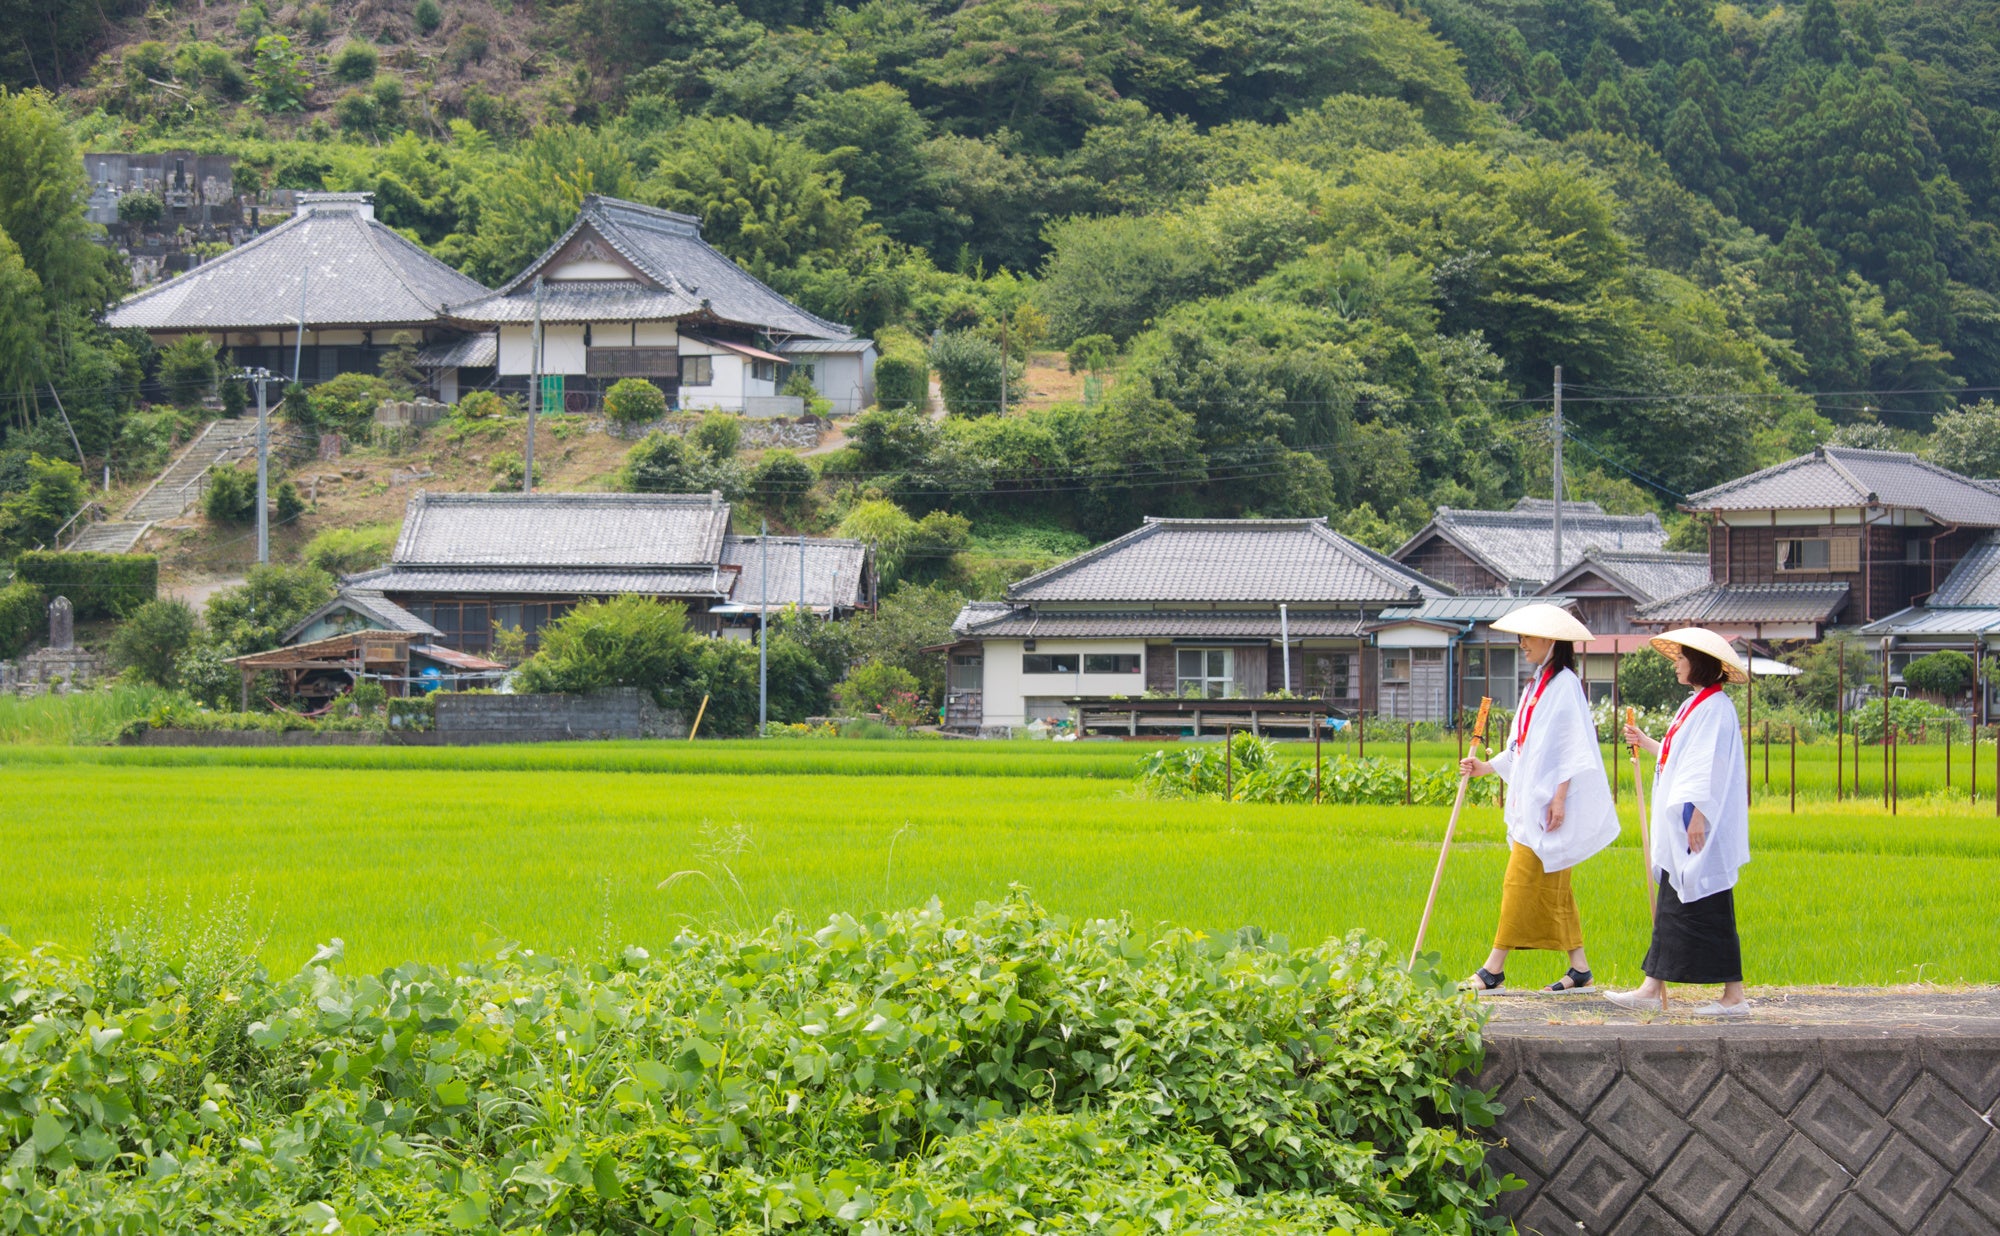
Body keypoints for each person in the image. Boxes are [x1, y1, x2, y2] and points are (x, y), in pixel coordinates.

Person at [1457, 603, 1621, 994]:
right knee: (1556, 887)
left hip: (1547, 803)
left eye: (1528, 637)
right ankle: (1579, 969)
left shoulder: (1564, 685)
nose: (1522, 644)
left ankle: (1492, 969)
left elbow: (1570, 747)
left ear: (1550, 639)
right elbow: (1522, 746)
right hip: (1531, 800)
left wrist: (1560, 798)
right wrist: (1486, 767)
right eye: (1521, 637)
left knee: (1519, 880)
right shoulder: (1535, 686)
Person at [1607, 627, 1752, 1018]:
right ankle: (1653, 986)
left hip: (1696, 822)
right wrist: (1645, 741)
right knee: (1676, 902)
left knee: (1710, 903)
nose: (1676, 666)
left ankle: (1732, 997)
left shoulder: (1716, 708)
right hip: (1685, 824)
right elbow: (1680, 756)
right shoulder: (1696, 704)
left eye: (1682, 660)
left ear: (1699, 665)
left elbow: (1708, 767)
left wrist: (1699, 817)